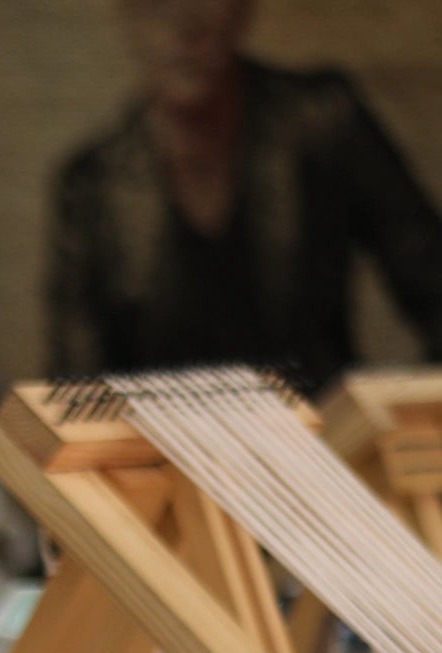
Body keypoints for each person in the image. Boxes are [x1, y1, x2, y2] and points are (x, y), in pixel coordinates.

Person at [47, 0, 442, 387]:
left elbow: (430, 278)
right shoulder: (92, 184)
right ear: (125, 13)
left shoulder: (323, 122)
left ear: (243, 8)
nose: (185, 24)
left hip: (319, 440)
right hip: (163, 447)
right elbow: (77, 391)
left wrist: (400, 424)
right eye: (155, 2)